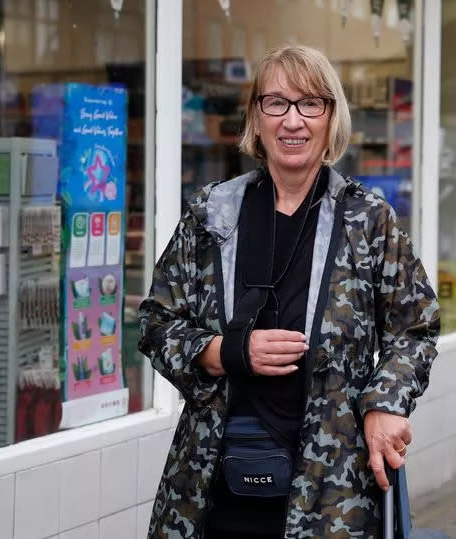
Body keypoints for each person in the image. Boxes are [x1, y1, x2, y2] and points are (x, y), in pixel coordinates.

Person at [138, 44, 440, 539]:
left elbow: (416, 327)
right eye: (276, 102)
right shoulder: (214, 214)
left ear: (330, 118)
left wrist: (386, 403)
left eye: (309, 103)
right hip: (213, 489)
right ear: (256, 117)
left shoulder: (367, 219)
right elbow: (155, 323)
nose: (292, 120)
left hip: (331, 493)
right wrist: (227, 351)